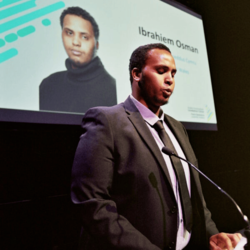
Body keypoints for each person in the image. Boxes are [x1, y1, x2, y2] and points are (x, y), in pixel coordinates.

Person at [71, 43, 242, 249]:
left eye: (173, 73)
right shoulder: (107, 121)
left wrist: (211, 235)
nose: (170, 79)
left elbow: (192, 198)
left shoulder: (177, 127)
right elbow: (93, 205)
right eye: (161, 71)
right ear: (136, 74)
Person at [39, 7, 117, 113]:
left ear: (97, 44)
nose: (75, 42)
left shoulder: (112, 88)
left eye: (84, 37)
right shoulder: (48, 85)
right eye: (69, 33)